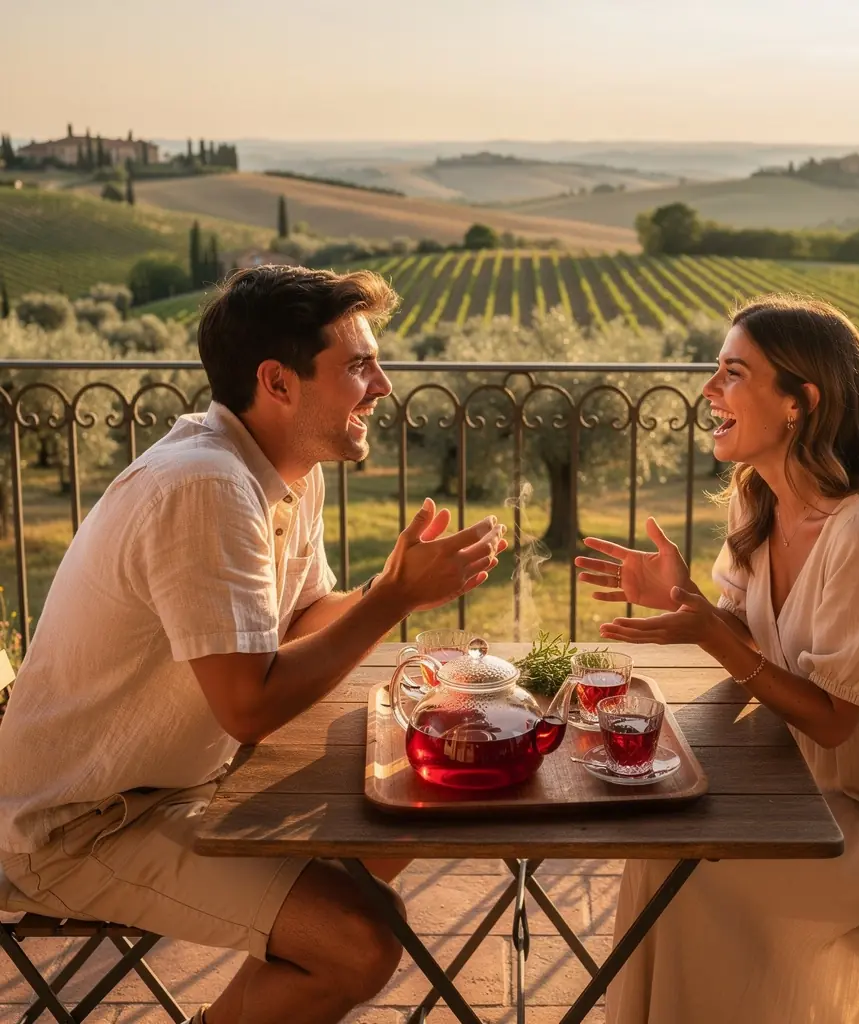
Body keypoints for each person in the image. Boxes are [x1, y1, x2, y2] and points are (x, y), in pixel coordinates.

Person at [0, 265, 507, 1024]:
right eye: (359, 366)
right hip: (78, 822)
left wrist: (392, 588)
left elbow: (300, 618)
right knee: (360, 941)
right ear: (278, 381)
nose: (384, 385)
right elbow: (249, 706)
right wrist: (394, 598)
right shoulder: (205, 486)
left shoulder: (281, 471)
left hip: (179, 785)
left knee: (408, 803)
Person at [575, 295, 859, 1023]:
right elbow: (755, 631)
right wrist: (687, 601)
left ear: (801, 402)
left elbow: (835, 722)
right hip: (797, 772)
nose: (709, 390)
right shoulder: (759, 498)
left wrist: (712, 635)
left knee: (699, 876)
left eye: (733, 373)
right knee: (659, 841)